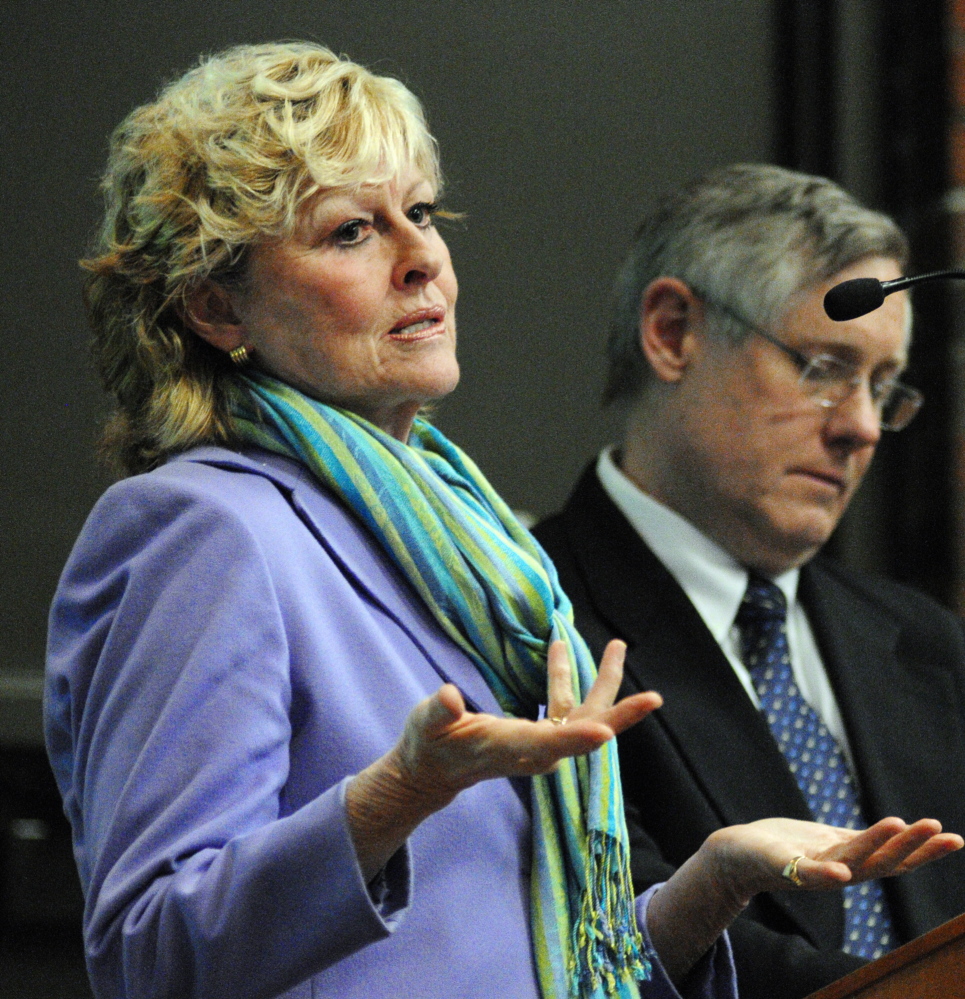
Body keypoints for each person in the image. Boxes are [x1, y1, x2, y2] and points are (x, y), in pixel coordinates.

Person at [44, 50, 960, 999]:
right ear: (215, 306)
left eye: (423, 212)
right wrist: (396, 791)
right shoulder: (199, 529)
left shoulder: (473, 549)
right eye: (352, 229)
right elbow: (149, 956)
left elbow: (522, 961)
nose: (420, 258)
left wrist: (711, 879)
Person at [534, 163, 965, 999]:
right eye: (823, 367)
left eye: (882, 386)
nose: (861, 427)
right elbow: (606, 935)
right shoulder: (532, 615)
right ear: (670, 332)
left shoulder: (925, 642)